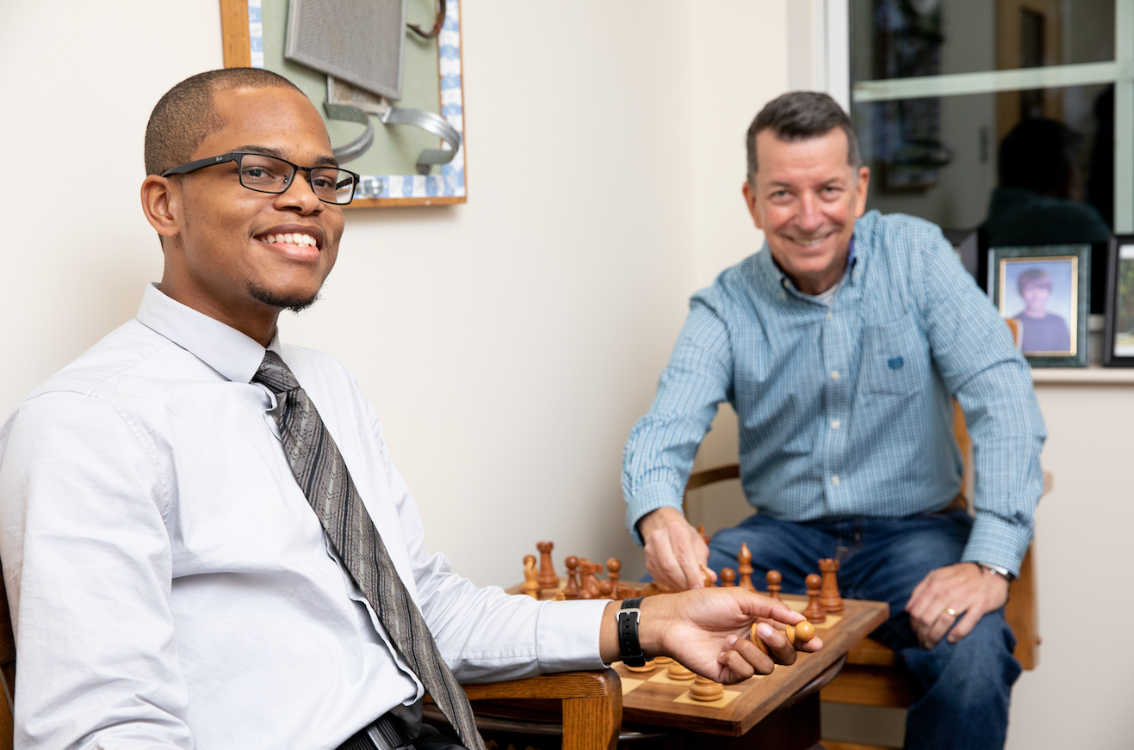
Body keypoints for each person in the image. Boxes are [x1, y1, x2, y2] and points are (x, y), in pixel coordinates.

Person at [0, 69, 819, 750]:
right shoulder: (87, 423)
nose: (307, 201)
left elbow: (426, 610)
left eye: (325, 178)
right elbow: (99, 733)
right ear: (163, 204)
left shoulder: (323, 386)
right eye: (261, 170)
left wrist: (651, 620)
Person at [622, 91, 1046, 750]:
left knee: (973, 659)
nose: (810, 217)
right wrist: (656, 510)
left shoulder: (916, 256)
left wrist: (991, 564)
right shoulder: (726, 305)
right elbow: (665, 425)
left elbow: (1002, 393)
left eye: (828, 189)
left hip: (918, 537)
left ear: (860, 186)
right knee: (671, 639)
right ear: (752, 201)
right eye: (784, 194)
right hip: (780, 543)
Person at [1012, 267, 1071, 353]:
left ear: (1048, 292)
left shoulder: (1059, 322)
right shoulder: (1013, 323)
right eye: (1030, 289)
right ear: (1021, 293)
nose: (1036, 295)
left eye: (1041, 288)